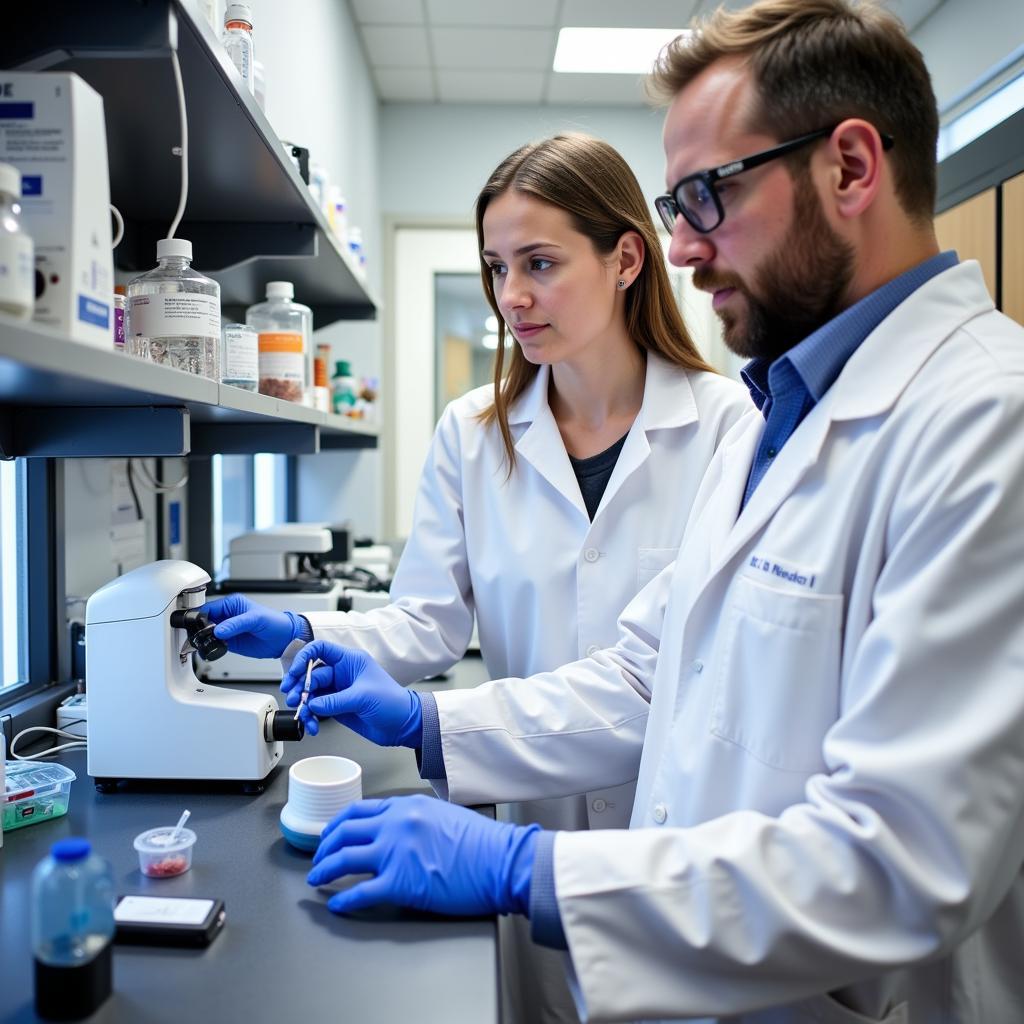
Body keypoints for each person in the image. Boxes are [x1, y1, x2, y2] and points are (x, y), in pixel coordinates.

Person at [277, 1, 1024, 1022]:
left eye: (707, 196)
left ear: (849, 168)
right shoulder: (781, 417)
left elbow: (904, 854)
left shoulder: (986, 423)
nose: (681, 248)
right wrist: (426, 719)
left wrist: (533, 870)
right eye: (675, 206)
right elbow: (648, 673)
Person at [203, 133, 748, 1022]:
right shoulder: (473, 430)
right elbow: (426, 621)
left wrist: (427, 721)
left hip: (673, 835)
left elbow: (670, 673)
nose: (512, 297)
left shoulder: (728, 427)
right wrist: (308, 636)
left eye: (540, 262)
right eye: (497, 267)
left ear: (625, 258)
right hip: (524, 815)